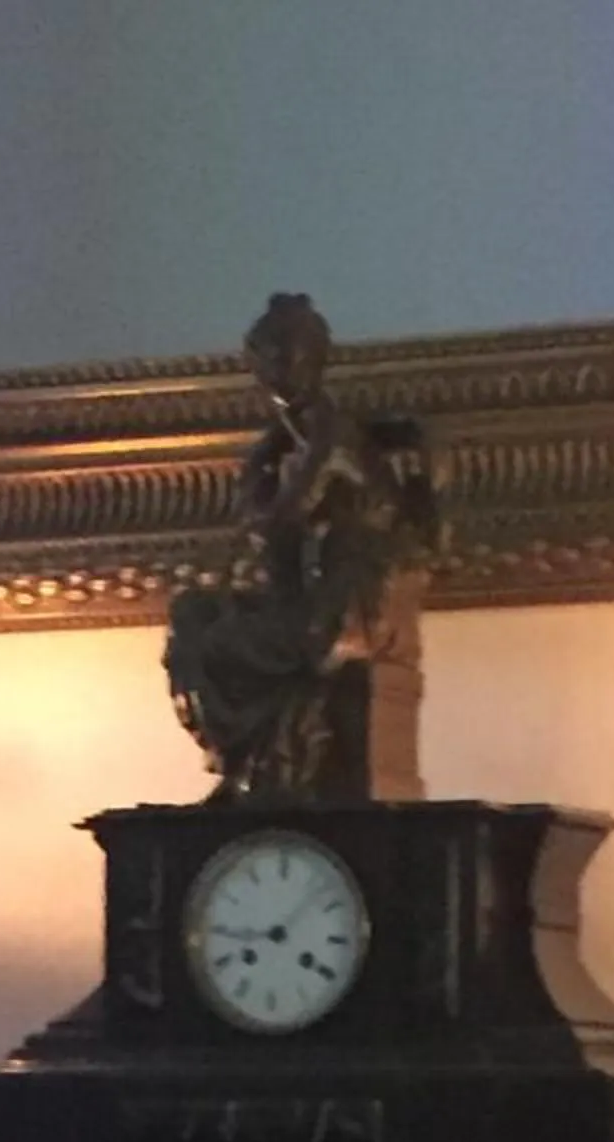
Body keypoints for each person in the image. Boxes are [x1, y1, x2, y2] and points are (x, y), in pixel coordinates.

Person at [165, 292, 439, 800]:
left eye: (286, 354)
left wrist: (265, 461)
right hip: (311, 599)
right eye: (265, 356)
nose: (274, 368)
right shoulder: (290, 436)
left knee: (222, 645)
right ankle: (245, 767)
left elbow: (277, 519)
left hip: (345, 611)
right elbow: (269, 538)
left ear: (314, 359)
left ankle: (269, 767)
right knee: (191, 616)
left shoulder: (327, 434)